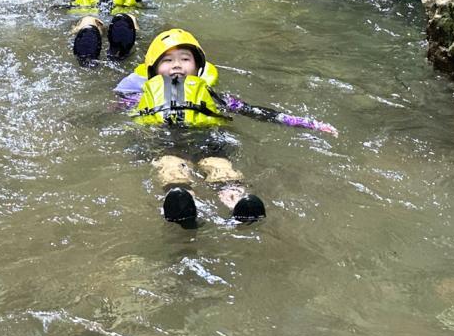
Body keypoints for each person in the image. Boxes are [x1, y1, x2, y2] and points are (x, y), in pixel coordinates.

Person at [117, 28, 337, 225]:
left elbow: (255, 111)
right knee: (170, 167)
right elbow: (112, 111)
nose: (177, 64)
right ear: (154, 70)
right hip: (163, 143)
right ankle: (182, 201)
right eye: (167, 60)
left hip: (207, 142)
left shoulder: (214, 97)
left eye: (185, 59)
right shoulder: (139, 98)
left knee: (220, 167)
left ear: (198, 67)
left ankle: (237, 201)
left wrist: (307, 124)